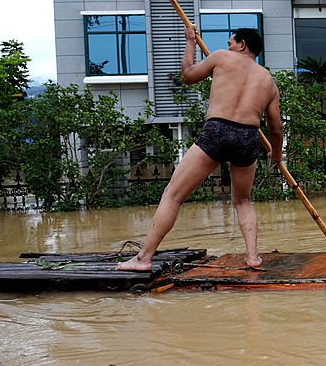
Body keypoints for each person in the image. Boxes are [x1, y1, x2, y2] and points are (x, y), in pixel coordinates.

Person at [117, 25, 283, 271]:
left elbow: (187, 76)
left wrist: (190, 42)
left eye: (230, 42)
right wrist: (276, 155)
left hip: (217, 130)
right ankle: (252, 257)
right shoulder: (268, 81)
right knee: (243, 200)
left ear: (242, 44)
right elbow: (276, 128)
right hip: (247, 137)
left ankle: (143, 258)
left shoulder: (221, 57)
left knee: (173, 195)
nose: (228, 46)